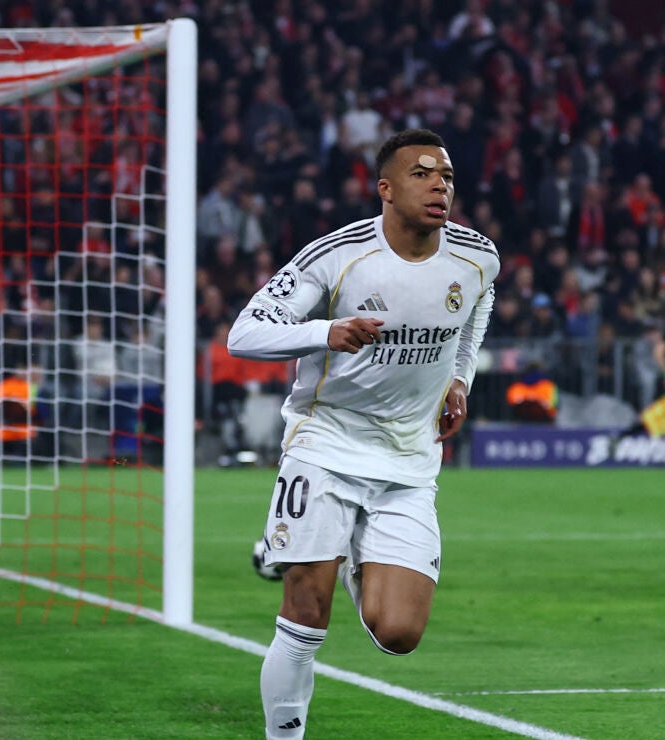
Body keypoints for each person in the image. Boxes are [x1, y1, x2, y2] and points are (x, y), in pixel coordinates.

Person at [228, 129, 497, 739]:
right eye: (423, 174)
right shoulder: (338, 254)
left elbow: (475, 314)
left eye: (447, 176)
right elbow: (243, 333)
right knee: (305, 613)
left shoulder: (479, 257)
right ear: (386, 189)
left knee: (398, 634)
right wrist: (325, 331)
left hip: (409, 459)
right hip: (326, 444)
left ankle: (350, 550)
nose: (439, 185)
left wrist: (459, 380)